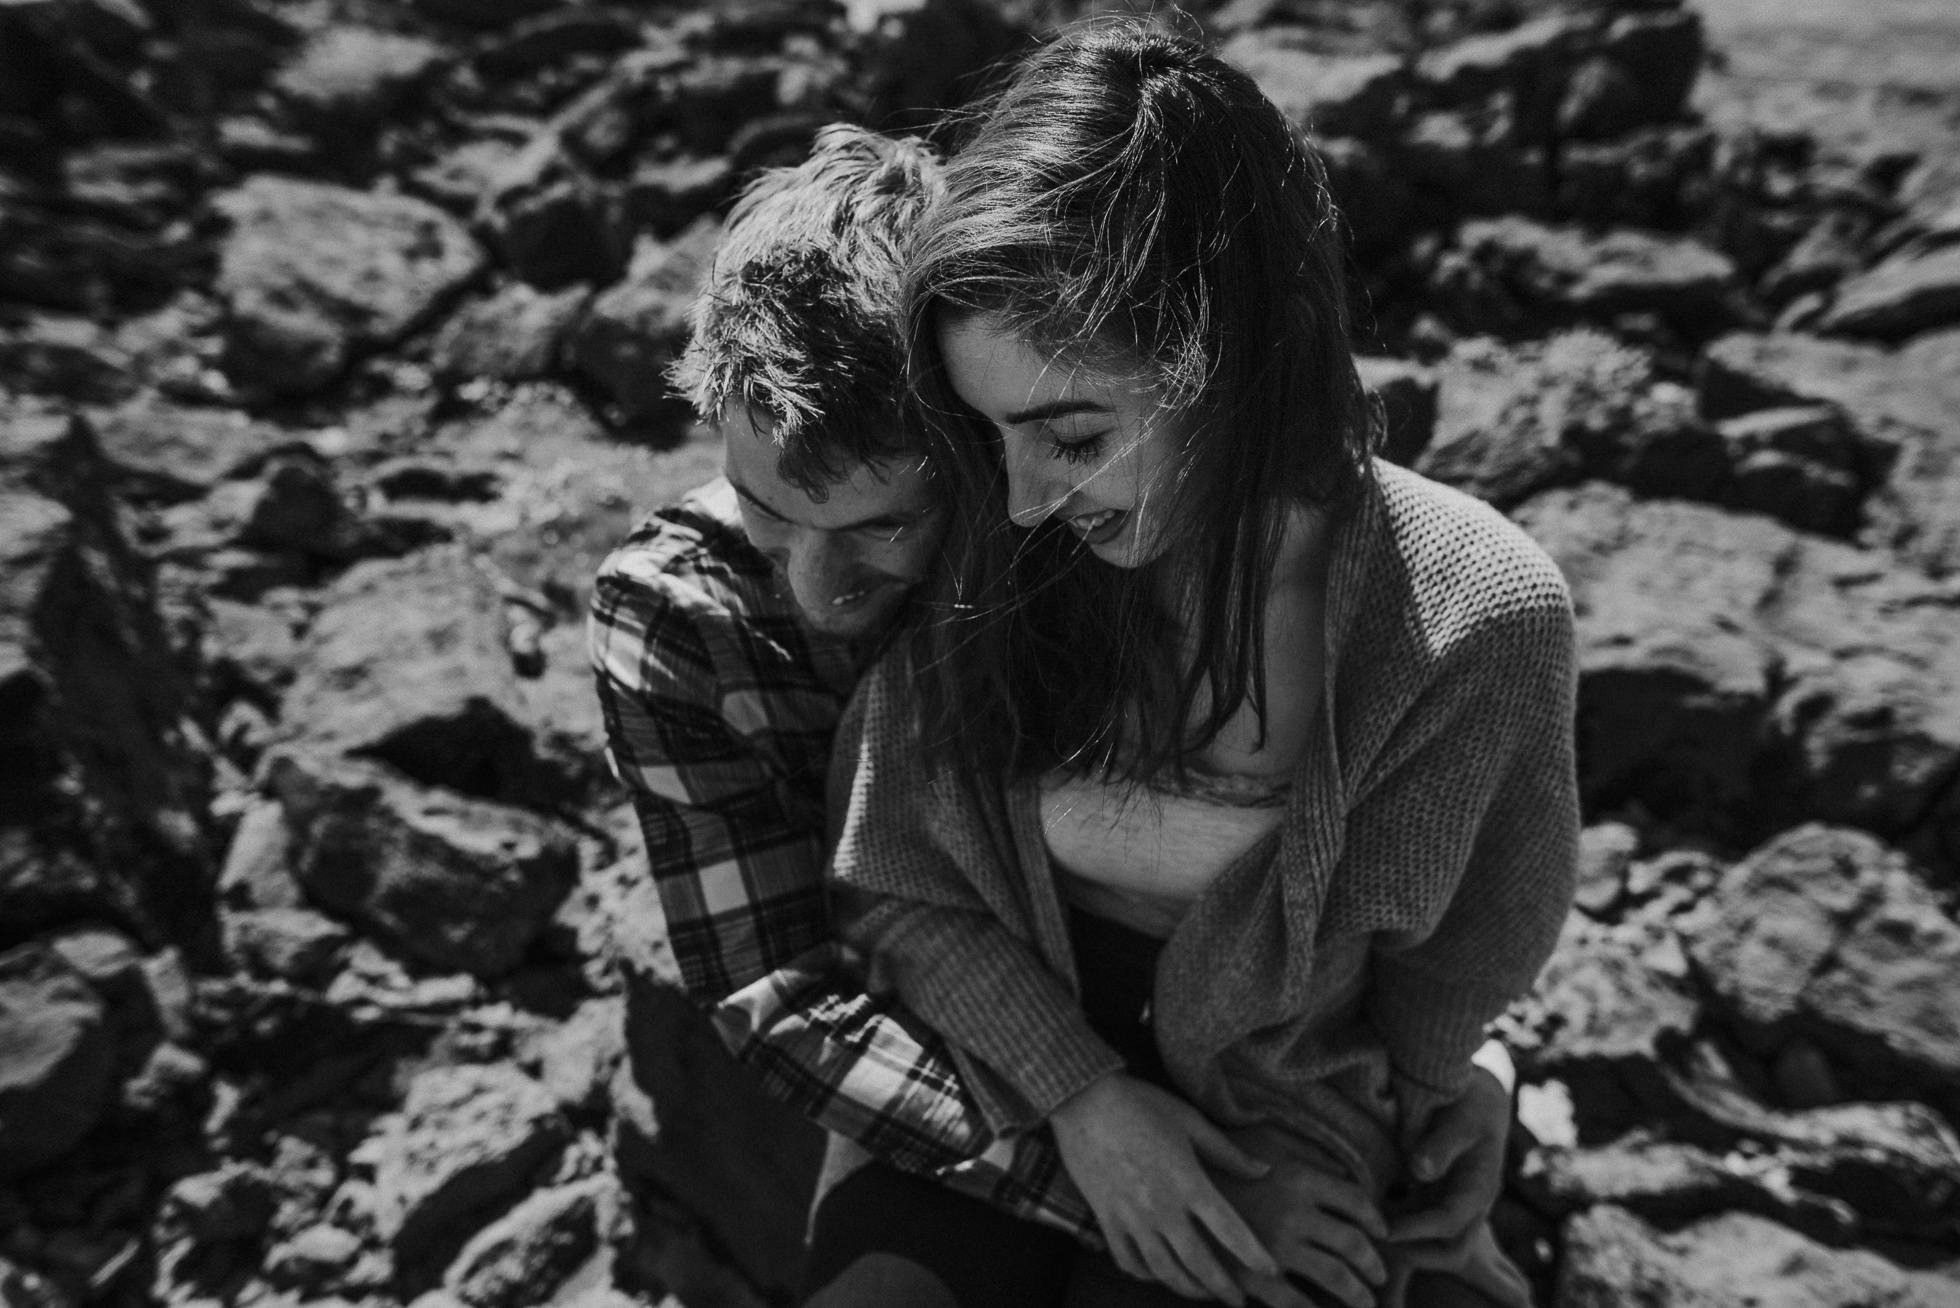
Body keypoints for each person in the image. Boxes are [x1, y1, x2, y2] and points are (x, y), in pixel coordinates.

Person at [588, 120, 1525, 1308]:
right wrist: (1095, 1141)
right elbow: (786, 998)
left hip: (1234, 1069)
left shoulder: (1085, 537)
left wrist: (1473, 1058)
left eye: (881, 528)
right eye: (771, 511)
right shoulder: (676, 613)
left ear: (984, 459)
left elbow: (1408, 847)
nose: (816, 594)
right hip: (941, 1050)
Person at [821, 19, 1579, 1308]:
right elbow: (892, 884)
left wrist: (1453, 1104)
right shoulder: (1005, 540)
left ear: (1224, 355)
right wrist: (1082, 1098)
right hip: (977, 1067)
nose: (1017, 502)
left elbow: (1449, 975)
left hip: (1280, 1127)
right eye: (992, 432)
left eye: (1069, 432)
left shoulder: (1473, 619)